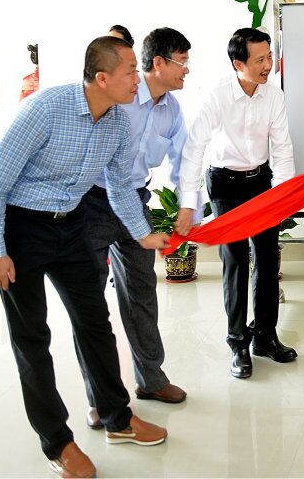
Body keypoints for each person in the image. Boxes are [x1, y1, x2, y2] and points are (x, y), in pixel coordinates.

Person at [0, 36, 171, 478]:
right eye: (130, 70)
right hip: (21, 226)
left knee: (95, 323)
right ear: (102, 78)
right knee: (33, 338)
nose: (137, 79)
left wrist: (142, 234)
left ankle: (117, 419)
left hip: (73, 224)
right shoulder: (47, 109)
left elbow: (119, 186)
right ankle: (57, 443)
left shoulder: (118, 123)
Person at [78, 27, 197, 429]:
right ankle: (101, 398)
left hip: (135, 202)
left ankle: (151, 379)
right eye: (182, 61)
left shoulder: (171, 110)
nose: (187, 70)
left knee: (142, 293)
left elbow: (183, 158)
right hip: (92, 203)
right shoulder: (119, 98)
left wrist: (187, 204)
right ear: (158, 63)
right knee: (90, 305)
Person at [175, 27, 296, 379]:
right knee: (236, 261)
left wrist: (283, 192)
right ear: (238, 64)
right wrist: (189, 201)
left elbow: (283, 146)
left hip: (260, 181)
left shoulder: (274, 95)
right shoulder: (217, 96)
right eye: (260, 60)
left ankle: (265, 336)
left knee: (267, 257)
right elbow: (195, 147)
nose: (268, 65)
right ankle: (238, 343)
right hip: (225, 183)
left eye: (269, 57)